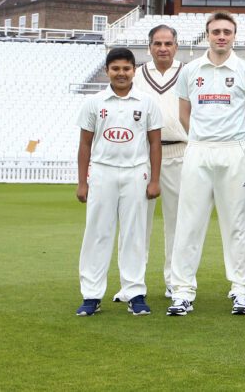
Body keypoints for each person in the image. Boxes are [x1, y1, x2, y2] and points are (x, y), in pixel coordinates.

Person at [168, 11, 245, 317]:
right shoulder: (191, 70)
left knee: (237, 223)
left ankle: (240, 290)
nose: (221, 36)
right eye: (216, 31)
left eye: (226, 31)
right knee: (189, 222)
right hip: (198, 150)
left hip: (234, 151)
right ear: (207, 34)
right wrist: (201, 138)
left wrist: (234, 141)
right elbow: (185, 114)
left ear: (234, 36)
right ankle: (182, 291)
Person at [75, 47, 163, 316]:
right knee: (97, 233)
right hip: (103, 172)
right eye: (116, 69)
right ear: (107, 71)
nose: (121, 73)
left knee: (134, 234)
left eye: (126, 68)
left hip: (136, 172)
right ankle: (91, 295)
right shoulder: (95, 102)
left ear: (134, 70)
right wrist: (82, 182)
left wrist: (155, 181)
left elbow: (155, 143)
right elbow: (85, 144)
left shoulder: (146, 102)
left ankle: (135, 292)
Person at [131, 24, 188, 301]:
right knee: (138, 222)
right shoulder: (138, 75)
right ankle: (133, 283)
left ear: (176, 46)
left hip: (180, 151)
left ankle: (175, 282)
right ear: (149, 46)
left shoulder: (188, 72)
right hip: (143, 155)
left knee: (177, 223)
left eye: (168, 43)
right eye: (157, 43)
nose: (163, 48)